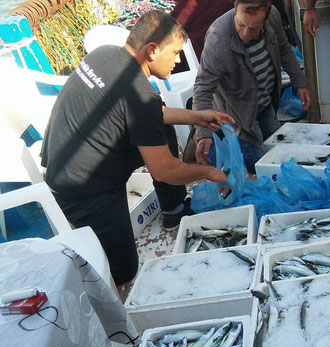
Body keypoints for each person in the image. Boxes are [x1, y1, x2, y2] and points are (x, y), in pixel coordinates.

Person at [41, 10, 234, 285]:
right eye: (175, 53)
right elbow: (165, 171)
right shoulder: (141, 94)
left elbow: (152, 114)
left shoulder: (104, 54)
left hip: (58, 163)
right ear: (152, 50)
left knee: (160, 125)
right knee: (123, 270)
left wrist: (196, 116)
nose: (178, 61)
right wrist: (209, 173)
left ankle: (173, 209)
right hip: (84, 190)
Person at [193, 0, 310, 174]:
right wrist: (203, 133)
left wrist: (300, 82)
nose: (246, 33)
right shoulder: (218, 39)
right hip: (238, 116)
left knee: (283, 155)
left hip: (265, 104)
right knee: (265, 168)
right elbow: (202, 88)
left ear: (266, 19)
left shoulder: (274, 16)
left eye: (254, 28)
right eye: (241, 25)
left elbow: (284, 49)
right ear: (235, 11)